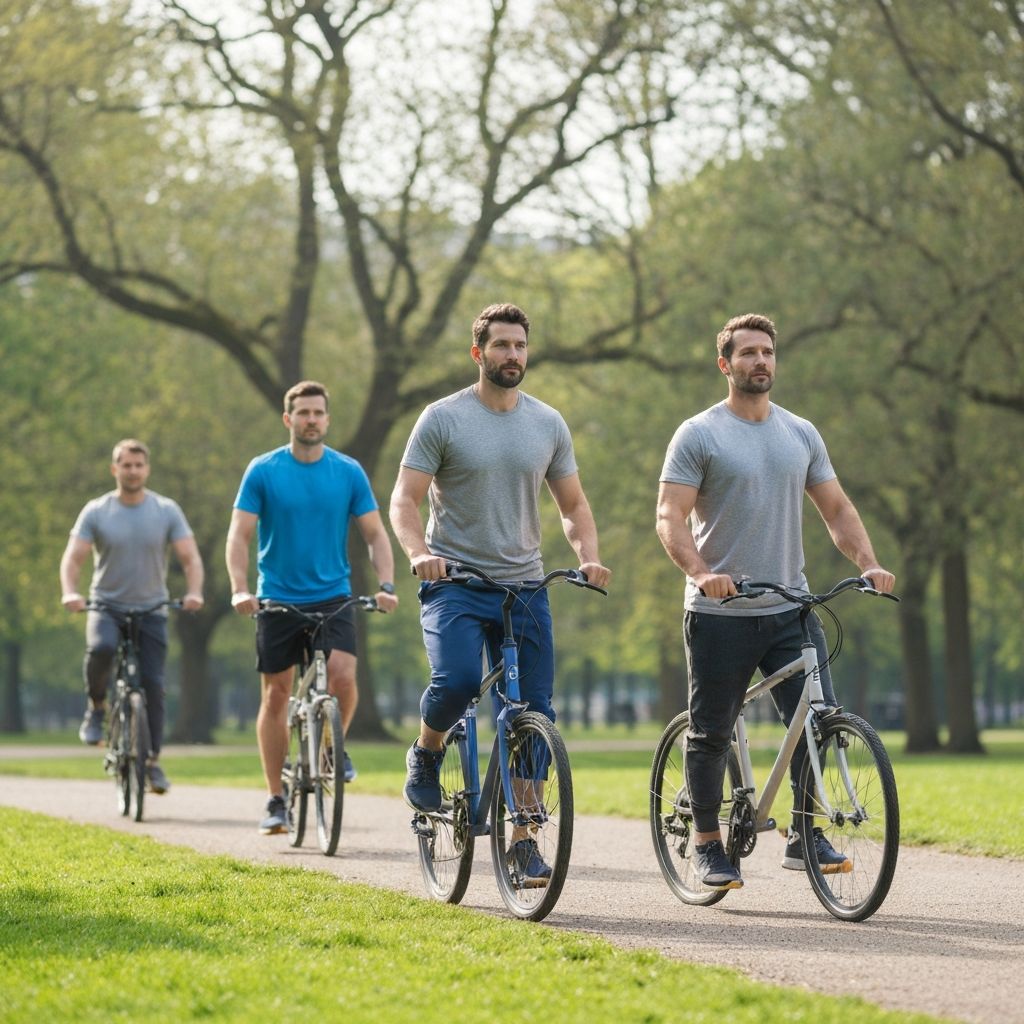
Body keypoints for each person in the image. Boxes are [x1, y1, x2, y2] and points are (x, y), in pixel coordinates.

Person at [655, 313, 895, 890]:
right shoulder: (699, 434)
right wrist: (702, 573)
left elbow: (836, 509)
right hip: (720, 613)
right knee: (712, 729)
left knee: (817, 721)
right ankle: (709, 844)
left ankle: (804, 833)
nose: (760, 361)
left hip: (791, 606)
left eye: (767, 352)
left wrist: (868, 564)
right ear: (725, 364)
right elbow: (669, 516)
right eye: (747, 353)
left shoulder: (800, 433)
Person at [389, 302, 611, 884]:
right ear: (478, 352)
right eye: (501, 346)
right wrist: (419, 554)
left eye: (520, 346)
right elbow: (403, 500)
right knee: (459, 681)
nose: (512, 355)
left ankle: (524, 842)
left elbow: (573, 505)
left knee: (533, 713)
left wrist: (587, 555)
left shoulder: (547, 423)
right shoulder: (442, 419)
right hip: (455, 584)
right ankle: (429, 751)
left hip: (526, 587)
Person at [226, 380, 399, 835]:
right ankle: (275, 799)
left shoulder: (348, 472)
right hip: (277, 597)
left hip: (334, 595)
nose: (311, 420)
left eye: (318, 413)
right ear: (288, 419)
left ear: (327, 418)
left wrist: (386, 583)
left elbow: (375, 534)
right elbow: (239, 535)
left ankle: (328, 748)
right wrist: (240, 589)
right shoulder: (263, 471)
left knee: (343, 675)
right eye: (303, 413)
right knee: (276, 694)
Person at [60, 439, 205, 794]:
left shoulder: (166, 510)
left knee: (154, 685)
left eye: (139, 465)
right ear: (115, 469)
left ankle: (152, 762)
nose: (133, 471)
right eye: (126, 465)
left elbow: (190, 558)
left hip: (152, 609)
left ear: (147, 469)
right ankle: (97, 707)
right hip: (106, 605)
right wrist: (70, 591)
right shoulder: (96, 511)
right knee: (101, 649)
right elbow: (73, 559)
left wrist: (194, 591)